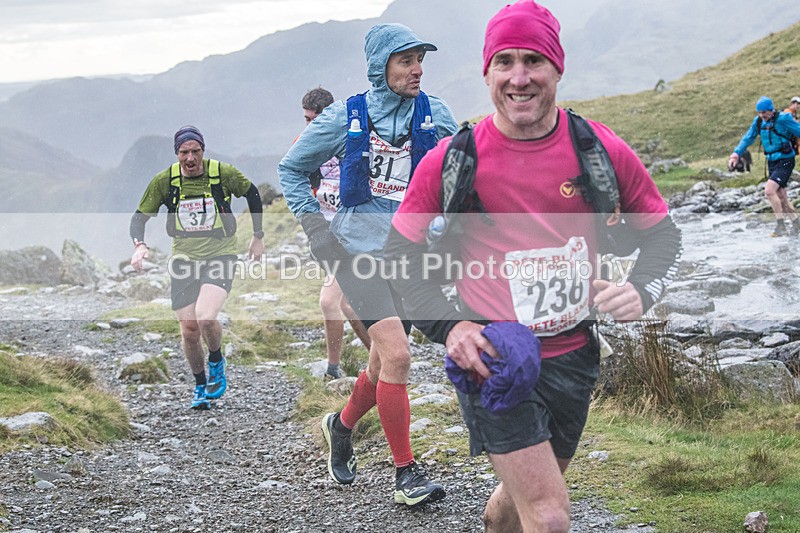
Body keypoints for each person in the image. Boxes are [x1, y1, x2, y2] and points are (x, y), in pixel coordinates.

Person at [384, 1, 682, 531]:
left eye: (533, 61)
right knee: (548, 516)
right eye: (504, 62)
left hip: (573, 356)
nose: (519, 78)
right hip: (493, 360)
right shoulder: (454, 160)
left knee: (521, 501)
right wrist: (450, 326)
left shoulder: (597, 149)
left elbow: (662, 236)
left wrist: (641, 289)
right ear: (487, 72)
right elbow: (398, 259)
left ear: (556, 69)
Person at [278, 23, 458, 506]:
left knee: (381, 364)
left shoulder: (436, 114)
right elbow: (290, 170)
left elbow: (457, 176)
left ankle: (341, 426)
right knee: (398, 355)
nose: (418, 69)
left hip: (413, 255)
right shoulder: (344, 117)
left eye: (421, 59)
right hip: (356, 255)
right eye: (406, 61)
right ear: (382, 67)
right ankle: (406, 476)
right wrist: (317, 231)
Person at [130, 125, 264, 410]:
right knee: (189, 329)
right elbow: (139, 217)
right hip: (184, 260)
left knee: (205, 317)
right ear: (176, 153)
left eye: (195, 151)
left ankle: (216, 360)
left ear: (203, 150)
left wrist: (258, 237)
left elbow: (252, 194)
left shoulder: (221, 173)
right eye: (184, 152)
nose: (190, 158)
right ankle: (200, 384)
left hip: (221, 254)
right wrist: (139, 245)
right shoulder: (165, 181)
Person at [300, 86, 372, 379]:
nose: (308, 127)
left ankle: (333, 369)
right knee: (347, 303)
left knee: (329, 301)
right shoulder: (305, 148)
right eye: (305, 120)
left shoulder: (353, 145)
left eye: (313, 120)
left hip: (355, 237)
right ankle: (387, 357)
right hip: (328, 239)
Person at [728, 96, 800, 236]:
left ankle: (780, 226)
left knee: (769, 191)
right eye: (759, 112)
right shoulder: (759, 122)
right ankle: (796, 222)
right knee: (781, 196)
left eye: (765, 112)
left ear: (771, 110)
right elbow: (748, 138)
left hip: (786, 160)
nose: (762, 115)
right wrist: (736, 154)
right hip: (772, 161)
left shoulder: (783, 118)